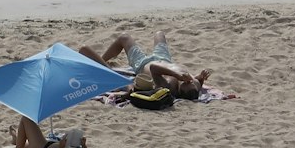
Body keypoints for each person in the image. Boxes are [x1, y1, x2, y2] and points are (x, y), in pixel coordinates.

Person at [77, 31, 209, 99]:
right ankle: (102, 62)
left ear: (181, 90)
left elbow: (153, 68)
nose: (189, 80)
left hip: (143, 64)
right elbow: (197, 82)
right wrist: (201, 77)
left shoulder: (167, 86)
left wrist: (177, 75)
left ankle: (101, 61)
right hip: (164, 59)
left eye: (186, 83)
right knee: (159, 34)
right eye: (191, 82)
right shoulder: (194, 86)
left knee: (124, 37)